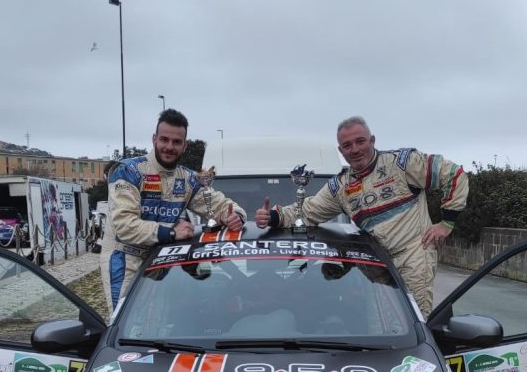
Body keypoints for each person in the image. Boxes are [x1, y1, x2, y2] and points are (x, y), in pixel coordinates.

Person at [254, 116, 468, 317]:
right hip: (375, 263)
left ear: (372, 141)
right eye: (347, 146)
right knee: (380, 323)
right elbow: (308, 211)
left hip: (412, 255)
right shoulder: (340, 186)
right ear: (341, 150)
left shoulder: (403, 163)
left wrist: (447, 222)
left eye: (360, 141)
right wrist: (273, 217)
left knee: (415, 320)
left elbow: (454, 174)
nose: (355, 149)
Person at [100, 108, 246, 315]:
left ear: (184, 145)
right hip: (124, 257)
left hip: (161, 258)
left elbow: (220, 205)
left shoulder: (188, 178)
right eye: (164, 140)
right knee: (122, 320)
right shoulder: (128, 171)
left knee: (157, 323)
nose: (169, 147)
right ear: (154, 140)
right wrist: (170, 232)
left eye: (176, 142)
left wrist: (235, 216)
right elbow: (124, 226)